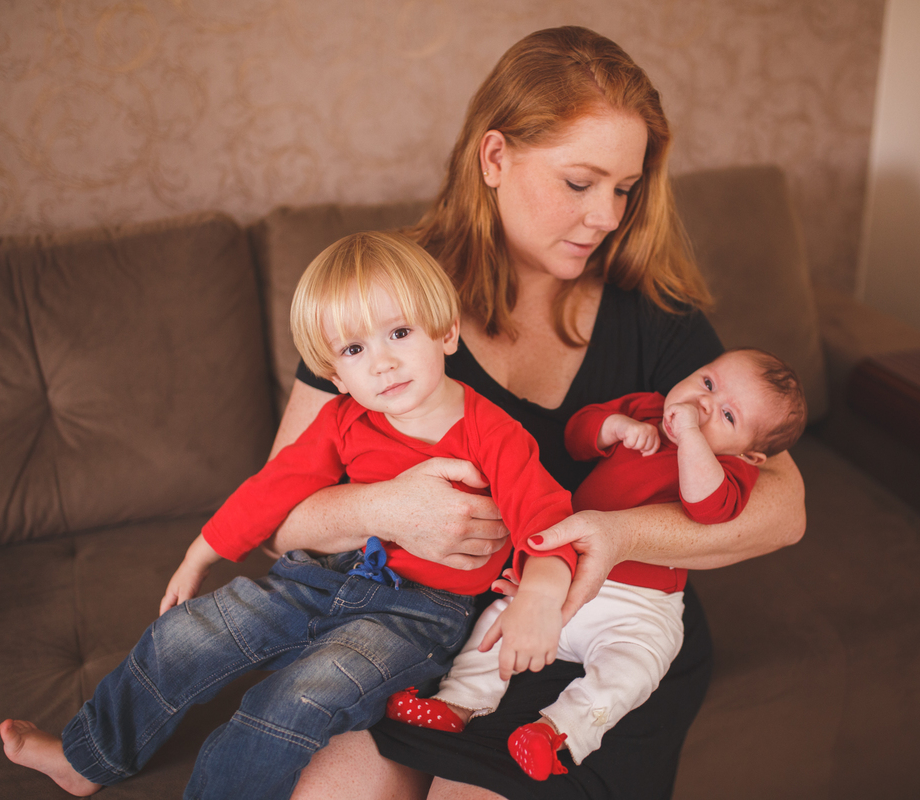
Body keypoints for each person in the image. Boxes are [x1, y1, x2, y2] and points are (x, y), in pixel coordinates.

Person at [277, 25, 806, 800]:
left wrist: (614, 534)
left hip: (607, 637)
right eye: (579, 183)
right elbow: (282, 519)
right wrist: (393, 508)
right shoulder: (389, 305)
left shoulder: (656, 316)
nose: (605, 217)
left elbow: (784, 509)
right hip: (440, 629)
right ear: (495, 158)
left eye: (624, 189)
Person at [0, 231, 582, 800]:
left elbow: (545, 516)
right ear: (335, 376)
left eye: (399, 333)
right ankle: (88, 758)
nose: (381, 364)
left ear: (446, 331)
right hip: (315, 577)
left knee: (296, 697)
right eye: (354, 350)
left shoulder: (495, 434)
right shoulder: (343, 421)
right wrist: (201, 551)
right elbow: (273, 488)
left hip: (416, 617)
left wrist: (538, 595)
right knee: (179, 637)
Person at [384, 348, 808, 780]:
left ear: (751, 455)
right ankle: (457, 702)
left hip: (641, 606)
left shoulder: (733, 471)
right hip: (565, 572)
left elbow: (708, 507)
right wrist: (615, 427)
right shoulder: (648, 408)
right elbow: (577, 433)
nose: (703, 404)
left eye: (727, 416)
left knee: (631, 669)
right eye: (707, 383)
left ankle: (556, 733)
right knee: (499, 622)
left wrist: (693, 439)